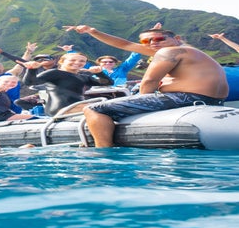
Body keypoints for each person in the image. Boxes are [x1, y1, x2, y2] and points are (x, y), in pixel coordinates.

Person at [64, 25, 229, 147]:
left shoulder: (169, 51)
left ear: (177, 39)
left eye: (159, 39)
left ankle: (103, 152)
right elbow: (126, 45)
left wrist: (141, 101)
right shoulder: (187, 51)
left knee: (94, 109)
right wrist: (93, 32)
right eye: (146, 41)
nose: (152, 43)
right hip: (212, 101)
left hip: (185, 98)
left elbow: (149, 81)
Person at [20, 52, 113, 116]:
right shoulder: (54, 73)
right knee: (102, 110)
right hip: (61, 109)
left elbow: (108, 83)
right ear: (62, 61)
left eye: (82, 61)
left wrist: (99, 73)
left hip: (78, 106)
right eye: (72, 60)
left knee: (108, 107)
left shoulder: (82, 76)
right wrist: (31, 69)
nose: (77, 63)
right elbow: (30, 82)